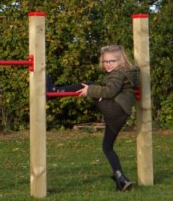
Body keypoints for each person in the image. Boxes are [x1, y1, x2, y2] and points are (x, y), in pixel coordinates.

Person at [47, 45, 140, 191]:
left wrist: (89, 91)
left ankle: (54, 90)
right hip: (120, 116)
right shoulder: (128, 72)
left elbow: (109, 91)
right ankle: (121, 179)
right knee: (107, 147)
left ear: (121, 61)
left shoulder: (118, 74)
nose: (108, 64)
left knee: (89, 85)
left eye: (112, 61)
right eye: (105, 61)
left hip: (115, 110)